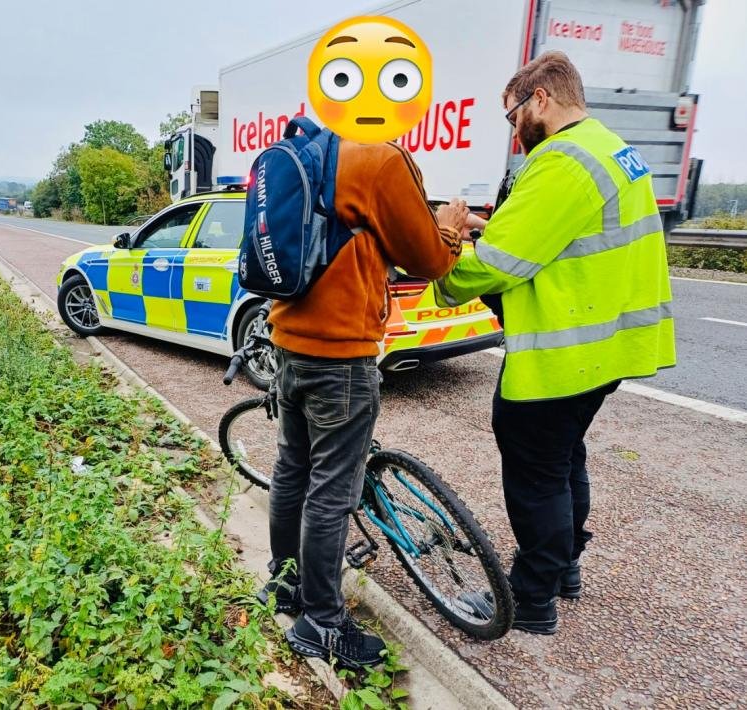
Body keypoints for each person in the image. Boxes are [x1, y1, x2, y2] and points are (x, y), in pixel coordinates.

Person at [435, 51, 676, 634]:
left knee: (535, 472)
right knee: (565, 460)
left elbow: (496, 267)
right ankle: (564, 567)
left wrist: (445, 254)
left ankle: (530, 599)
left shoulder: (562, 160)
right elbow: (569, 237)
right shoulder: (610, 148)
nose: (514, 132)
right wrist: (496, 225)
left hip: (562, 353)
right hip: (605, 348)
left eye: (513, 114)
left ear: (540, 98)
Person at [257, 138, 468, 669]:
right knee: (330, 492)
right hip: (340, 358)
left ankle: (285, 586)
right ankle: (323, 624)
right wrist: (447, 227)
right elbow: (428, 259)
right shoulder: (379, 161)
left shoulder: (307, 152)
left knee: (292, 472)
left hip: (289, 345)